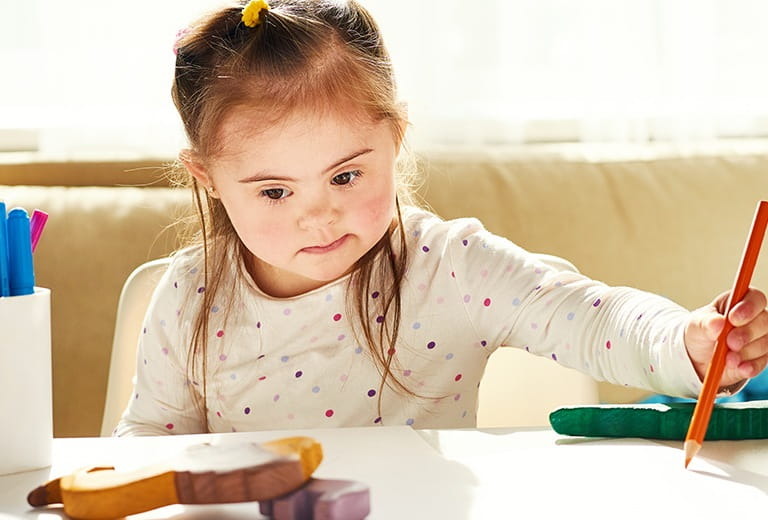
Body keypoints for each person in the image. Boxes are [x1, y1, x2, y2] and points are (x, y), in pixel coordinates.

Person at [115, 0, 768, 436]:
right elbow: (148, 451)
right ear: (208, 177)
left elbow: (600, 321)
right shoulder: (187, 297)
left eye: (346, 176)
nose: (320, 216)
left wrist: (689, 342)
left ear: (396, 139)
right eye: (275, 192)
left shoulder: (450, 267)